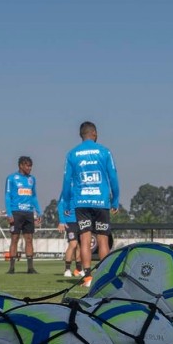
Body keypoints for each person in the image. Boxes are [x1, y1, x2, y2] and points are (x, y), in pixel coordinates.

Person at [60, 121, 119, 288]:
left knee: (84, 240)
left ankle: (87, 278)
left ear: (81, 135)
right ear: (94, 133)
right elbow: (113, 177)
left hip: (81, 203)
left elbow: (66, 182)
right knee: (103, 241)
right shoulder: (105, 151)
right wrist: (115, 199)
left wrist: (65, 205)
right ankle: (105, 277)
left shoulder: (72, 154)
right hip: (101, 201)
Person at [4, 156, 42, 274]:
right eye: (27, 166)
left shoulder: (32, 179)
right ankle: (11, 268)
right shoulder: (11, 178)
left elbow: (34, 196)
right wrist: (9, 213)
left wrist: (39, 211)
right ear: (21, 165)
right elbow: (7, 196)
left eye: (30, 166)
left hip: (28, 213)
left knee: (29, 239)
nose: (29, 168)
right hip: (16, 212)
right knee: (14, 239)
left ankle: (30, 268)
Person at [56, 200, 82, 277]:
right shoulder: (67, 189)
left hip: (81, 220)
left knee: (79, 245)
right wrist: (62, 221)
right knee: (73, 244)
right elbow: (60, 205)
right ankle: (67, 269)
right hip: (70, 221)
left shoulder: (80, 190)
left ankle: (79, 269)